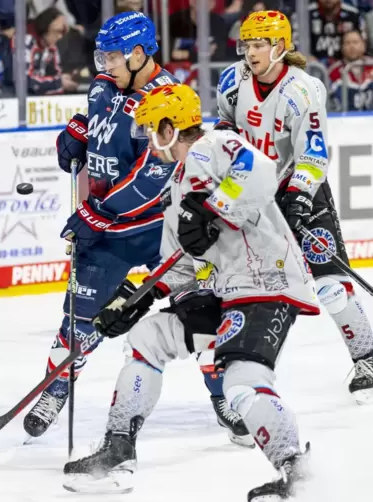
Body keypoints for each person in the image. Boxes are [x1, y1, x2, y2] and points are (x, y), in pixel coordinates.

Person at [64, 83, 318, 501]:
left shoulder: (214, 144)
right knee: (146, 338)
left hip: (266, 284)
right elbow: (175, 263)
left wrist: (215, 206)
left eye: (150, 129)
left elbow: (259, 169)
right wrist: (133, 300)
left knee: (242, 380)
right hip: (227, 293)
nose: (148, 138)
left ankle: (297, 471)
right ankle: (119, 449)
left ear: (170, 126)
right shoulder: (178, 184)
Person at [22, 11, 252, 445]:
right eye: (101, 54)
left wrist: (97, 214)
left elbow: (152, 176)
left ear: (140, 53)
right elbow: (97, 129)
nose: (103, 63)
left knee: (203, 314)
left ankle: (224, 396)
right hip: (106, 231)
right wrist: (77, 133)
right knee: (79, 321)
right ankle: (54, 389)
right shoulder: (102, 86)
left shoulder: (168, 98)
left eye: (111, 55)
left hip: (162, 229)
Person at [217, 10, 373, 403]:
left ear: (280, 47)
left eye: (259, 44)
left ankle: (368, 356)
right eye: (246, 44)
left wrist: (300, 196)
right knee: (255, 288)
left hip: (300, 189)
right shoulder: (232, 82)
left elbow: (314, 153)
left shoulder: (303, 89)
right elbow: (225, 131)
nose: (250, 52)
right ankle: (246, 375)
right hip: (253, 195)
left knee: (330, 284)